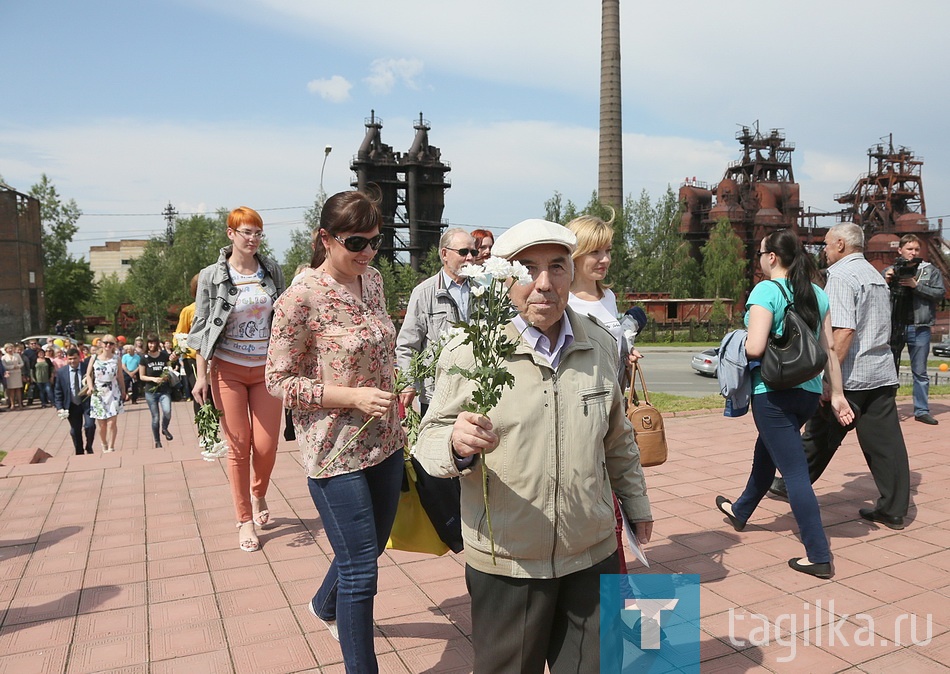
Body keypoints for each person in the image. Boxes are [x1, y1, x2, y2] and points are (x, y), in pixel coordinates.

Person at [415, 218, 653, 673]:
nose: (544, 284)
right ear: (506, 279)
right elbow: (428, 439)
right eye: (528, 269)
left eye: (557, 267)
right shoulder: (471, 350)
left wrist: (637, 506)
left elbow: (618, 438)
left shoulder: (600, 343)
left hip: (590, 550)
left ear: (572, 271)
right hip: (508, 561)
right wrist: (455, 443)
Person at [265, 190, 403, 673]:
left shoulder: (375, 281)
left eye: (375, 241)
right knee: (362, 573)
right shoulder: (299, 298)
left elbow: (381, 348)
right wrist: (351, 397)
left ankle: (325, 604)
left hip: (386, 440)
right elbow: (277, 380)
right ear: (325, 239)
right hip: (335, 450)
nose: (367, 251)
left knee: (367, 549)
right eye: (356, 241)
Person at [716, 229, 853, 580]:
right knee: (768, 451)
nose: (759, 258)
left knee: (794, 474)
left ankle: (818, 554)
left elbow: (755, 349)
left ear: (772, 258)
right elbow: (829, 352)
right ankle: (741, 509)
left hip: (772, 393)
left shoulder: (766, 290)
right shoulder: (817, 294)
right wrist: (835, 394)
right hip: (806, 394)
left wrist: (734, 341)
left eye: (761, 253)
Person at [770, 223, 911, 529]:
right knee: (886, 445)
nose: (824, 248)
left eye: (827, 243)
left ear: (842, 246)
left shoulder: (841, 277)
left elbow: (843, 332)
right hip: (881, 372)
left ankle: (790, 483)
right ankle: (894, 509)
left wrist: (829, 380)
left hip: (851, 376)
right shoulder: (875, 275)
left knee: (820, 432)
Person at [189, 206, 285, 553]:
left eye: (257, 232)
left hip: (266, 371)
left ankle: (258, 493)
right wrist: (201, 376)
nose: (252, 238)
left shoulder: (271, 270)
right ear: (230, 234)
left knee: (267, 445)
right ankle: (244, 518)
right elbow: (200, 327)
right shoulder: (211, 276)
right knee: (238, 445)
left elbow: (286, 319)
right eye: (245, 232)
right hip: (227, 369)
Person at [566, 213, 644, 574]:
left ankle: (611, 583)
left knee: (612, 500)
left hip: (611, 413)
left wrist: (625, 353)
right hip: (578, 415)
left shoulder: (607, 297)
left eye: (608, 250)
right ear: (575, 254)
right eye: (595, 252)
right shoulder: (564, 302)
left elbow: (608, 350)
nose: (605, 259)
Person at [396, 227, 477, 414]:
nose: (470, 258)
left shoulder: (481, 293)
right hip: (437, 394)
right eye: (464, 252)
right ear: (444, 254)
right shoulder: (424, 293)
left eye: (473, 252)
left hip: (473, 390)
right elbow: (407, 344)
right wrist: (408, 383)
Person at [884, 233, 945, 425]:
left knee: (920, 371)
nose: (913, 253)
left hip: (919, 327)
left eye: (916, 249)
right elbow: (875, 294)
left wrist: (916, 286)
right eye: (909, 249)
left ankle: (921, 410)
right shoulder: (890, 270)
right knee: (889, 370)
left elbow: (939, 293)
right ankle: (888, 409)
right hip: (895, 326)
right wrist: (886, 280)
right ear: (900, 250)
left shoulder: (929, 271)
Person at [86, 334, 127, 453]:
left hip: (113, 391)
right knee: (102, 424)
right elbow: (88, 374)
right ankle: (104, 443)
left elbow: (120, 376)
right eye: (105, 343)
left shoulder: (116, 358)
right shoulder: (94, 358)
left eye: (111, 343)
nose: (108, 345)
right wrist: (90, 387)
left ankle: (111, 446)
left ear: (114, 345)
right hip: (98, 392)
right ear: (101, 344)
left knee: (112, 422)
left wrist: (123, 390)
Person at [53, 347, 96, 454]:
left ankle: (89, 446)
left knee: (90, 426)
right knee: (75, 430)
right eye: (70, 359)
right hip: (72, 404)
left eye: (75, 358)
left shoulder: (87, 368)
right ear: (67, 359)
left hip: (87, 403)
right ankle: (79, 450)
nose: (72, 361)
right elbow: (58, 391)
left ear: (80, 357)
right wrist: (59, 407)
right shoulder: (61, 372)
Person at [139, 334, 174, 449]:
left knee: (167, 411)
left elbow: (169, 367)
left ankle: (164, 428)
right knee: (155, 417)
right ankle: (157, 441)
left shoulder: (163, 356)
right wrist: (153, 379)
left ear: (157, 343)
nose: (151, 345)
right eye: (149, 343)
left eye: (153, 342)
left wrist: (167, 376)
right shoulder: (144, 358)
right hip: (151, 391)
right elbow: (142, 376)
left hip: (164, 389)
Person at [174, 273, 201, 412]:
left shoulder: (216, 307)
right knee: (201, 393)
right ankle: (205, 430)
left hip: (214, 358)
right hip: (193, 358)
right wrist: (178, 349)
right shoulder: (189, 310)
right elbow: (179, 335)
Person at [1, 343, 25, 410]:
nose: (10, 349)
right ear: (6, 349)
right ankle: (12, 404)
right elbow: (4, 366)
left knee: (18, 389)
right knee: (11, 390)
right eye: (9, 348)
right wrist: (12, 367)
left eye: (11, 348)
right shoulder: (4, 357)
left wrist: (18, 366)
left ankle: (20, 404)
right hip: (10, 374)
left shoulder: (17, 355)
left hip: (17, 373)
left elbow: (22, 363)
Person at [22, 339, 40, 406]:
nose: (33, 345)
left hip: (39, 371)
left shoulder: (39, 351)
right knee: (31, 386)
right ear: (29, 345)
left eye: (35, 343)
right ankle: (29, 400)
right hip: (30, 371)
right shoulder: (26, 352)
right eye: (32, 344)